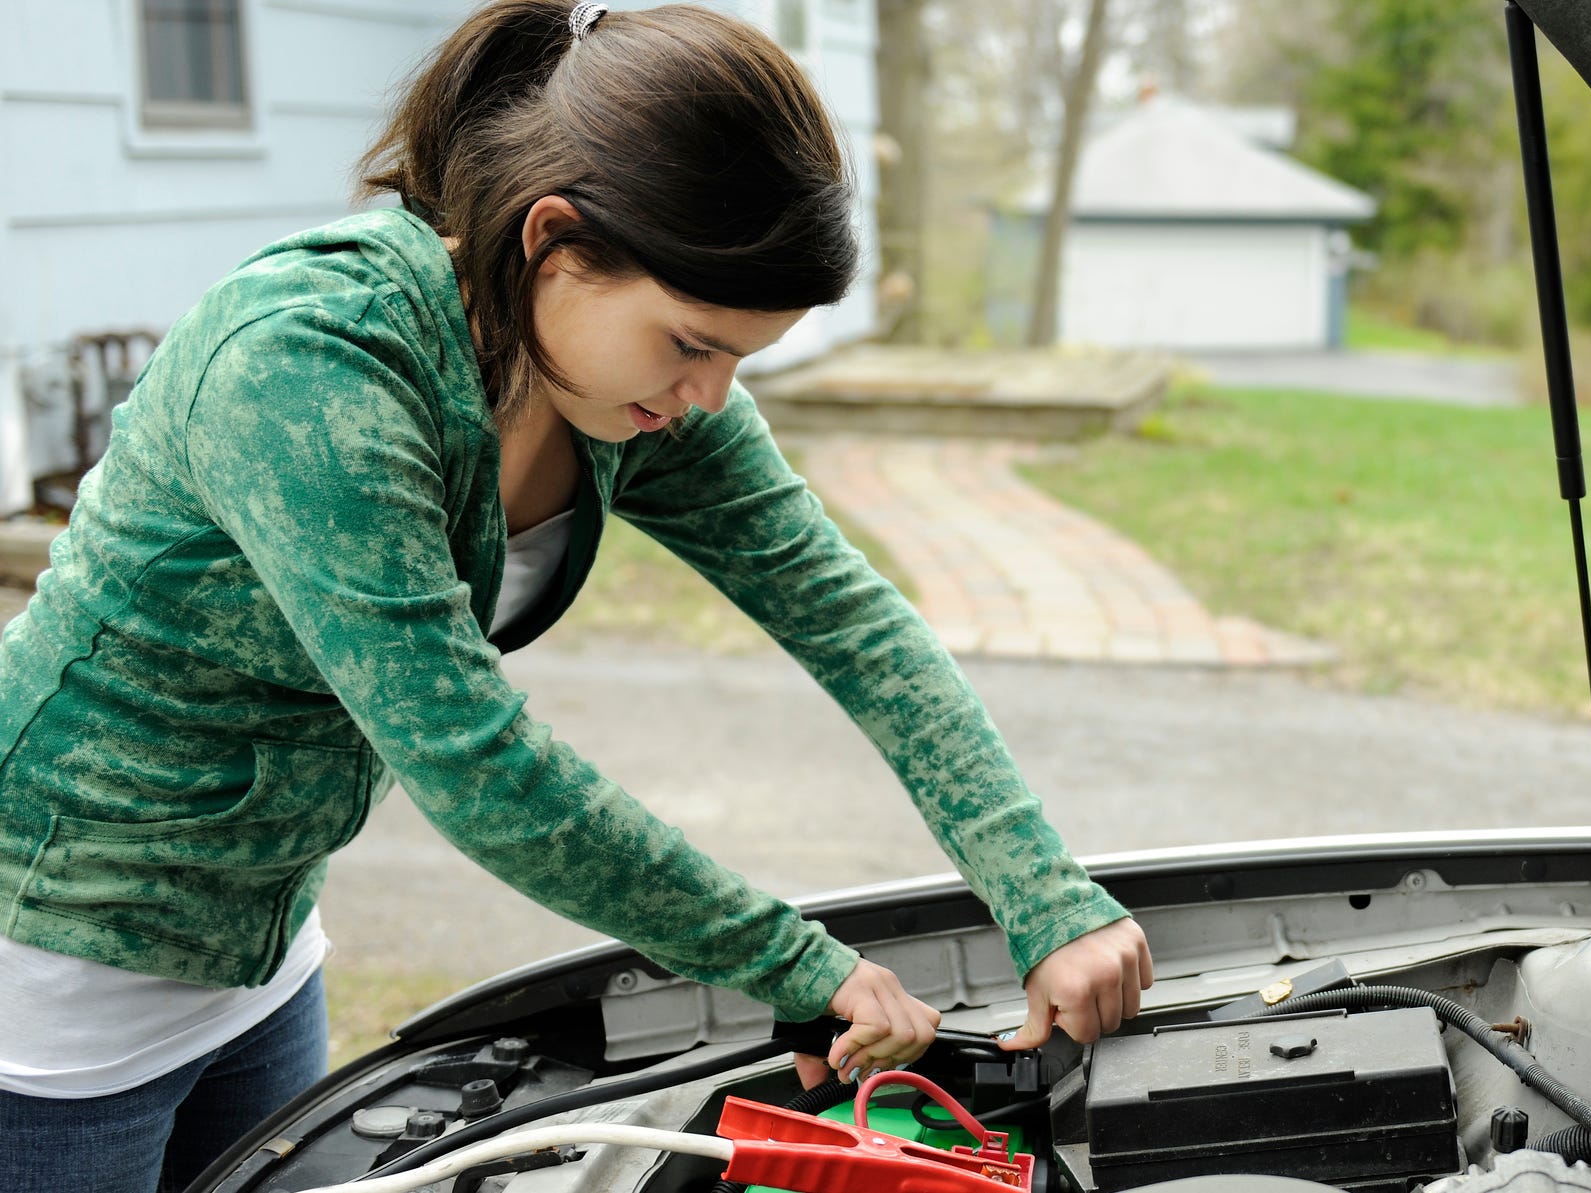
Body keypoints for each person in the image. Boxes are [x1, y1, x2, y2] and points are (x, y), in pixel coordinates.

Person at [0, 3, 1152, 1189]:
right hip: (51, 976)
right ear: (554, 240)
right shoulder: (311, 364)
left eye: (738, 360)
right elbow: (479, 766)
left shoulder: (622, 387)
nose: (709, 396)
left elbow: (845, 617)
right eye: (692, 342)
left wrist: (1048, 895)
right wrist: (794, 962)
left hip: (263, 945)